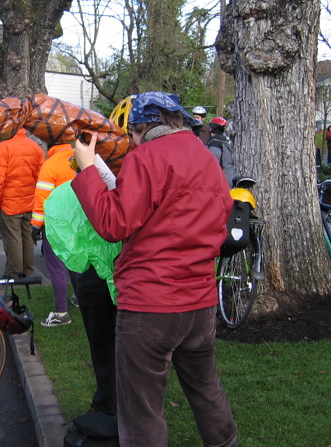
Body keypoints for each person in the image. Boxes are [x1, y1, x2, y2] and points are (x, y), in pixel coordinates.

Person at [72, 92, 237, 447]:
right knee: (207, 390)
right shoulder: (205, 158)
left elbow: (113, 223)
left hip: (151, 305)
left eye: (131, 132)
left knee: (141, 408)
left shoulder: (146, 158)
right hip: (201, 302)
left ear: (142, 127)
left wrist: (87, 167)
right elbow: (218, 216)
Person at [30, 142, 79, 327]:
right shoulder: (79, 158)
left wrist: (35, 225)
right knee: (75, 262)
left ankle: (61, 312)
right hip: (77, 221)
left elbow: (42, 199)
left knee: (56, 266)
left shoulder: (51, 164)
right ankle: (79, 297)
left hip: (56, 223)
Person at [0, 128, 45, 277]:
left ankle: (14, 273)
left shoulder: (4, 147)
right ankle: (28, 270)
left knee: (12, 239)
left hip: (10, 203)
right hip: (30, 200)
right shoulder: (35, 146)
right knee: (27, 237)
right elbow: (41, 176)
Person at [207, 116, 236, 188]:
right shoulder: (225, 141)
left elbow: (213, 163)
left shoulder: (215, 143)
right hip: (229, 176)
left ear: (211, 128)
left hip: (222, 181)